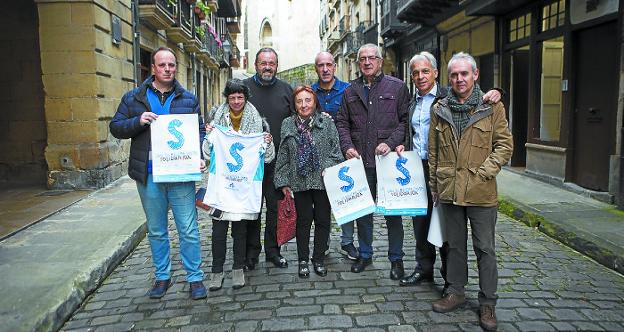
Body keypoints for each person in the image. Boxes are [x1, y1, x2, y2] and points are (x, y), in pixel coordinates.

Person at [395, 52, 501, 291]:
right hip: (417, 167)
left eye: (425, 71)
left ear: (435, 73)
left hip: (450, 169)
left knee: (447, 229)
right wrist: (402, 143)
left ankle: (449, 277)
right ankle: (424, 269)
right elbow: (409, 130)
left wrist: (497, 91)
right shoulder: (412, 102)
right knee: (421, 224)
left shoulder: (447, 96)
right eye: (415, 73)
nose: (420, 76)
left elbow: (478, 99)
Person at [109, 46, 207, 300]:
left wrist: (199, 156)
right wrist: (137, 121)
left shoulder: (188, 98)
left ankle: (195, 278)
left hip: (181, 175)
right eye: (162, 65)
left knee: (188, 228)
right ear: (153, 68)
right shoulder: (134, 98)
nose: (167, 69)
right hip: (149, 175)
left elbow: (199, 131)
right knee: (157, 229)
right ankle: (162, 276)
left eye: (171, 65)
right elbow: (116, 127)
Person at [428, 52, 513, 331]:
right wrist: (435, 187)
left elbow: (504, 146)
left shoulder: (492, 107)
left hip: (481, 191)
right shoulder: (440, 108)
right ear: (448, 78)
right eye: (454, 75)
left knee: (485, 248)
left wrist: (484, 173)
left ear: (475, 75)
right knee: (454, 246)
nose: (459, 79)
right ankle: (456, 292)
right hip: (449, 188)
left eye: (464, 73)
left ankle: (488, 303)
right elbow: (434, 151)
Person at [336, 43, 409, 279]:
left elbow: (404, 121)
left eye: (372, 58)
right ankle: (365, 255)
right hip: (360, 162)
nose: (367, 62)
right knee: (363, 213)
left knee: (392, 214)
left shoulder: (397, 87)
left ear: (380, 61)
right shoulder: (350, 91)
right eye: (363, 59)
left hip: (387, 162)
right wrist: (347, 146)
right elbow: (342, 123)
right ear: (359, 63)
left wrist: (390, 141)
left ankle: (396, 260)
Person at [202, 79, 275, 291]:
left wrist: (267, 142)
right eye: (232, 97)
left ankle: (237, 268)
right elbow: (207, 154)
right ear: (227, 98)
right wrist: (209, 137)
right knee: (218, 230)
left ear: (245, 98)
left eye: (240, 97)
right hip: (221, 185)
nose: (236, 101)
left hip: (243, 188)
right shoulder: (216, 119)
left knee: (240, 230)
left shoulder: (257, 121)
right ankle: (216, 271)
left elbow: (268, 158)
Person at [274, 86, 344, 278]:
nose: (304, 105)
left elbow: (336, 152)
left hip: (322, 181)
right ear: (295, 105)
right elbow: (283, 155)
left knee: (323, 221)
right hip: (300, 181)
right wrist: (283, 181)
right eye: (299, 101)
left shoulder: (327, 123)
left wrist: (326, 167)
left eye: (308, 100)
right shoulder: (287, 124)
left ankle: (318, 258)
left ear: (314, 103)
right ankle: (303, 259)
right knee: (303, 222)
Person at [243, 48, 294, 270]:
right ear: (255, 64)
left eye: (271, 63)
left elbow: (295, 123)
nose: (267, 67)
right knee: (252, 209)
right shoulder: (243, 89)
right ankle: (251, 253)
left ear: (276, 65)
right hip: (249, 164)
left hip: (277, 163)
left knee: (274, 209)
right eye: (263, 63)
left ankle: (273, 251)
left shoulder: (286, 90)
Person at [311, 51, 358, 261]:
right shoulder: (310, 93)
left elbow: (355, 120)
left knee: (347, 198)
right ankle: (325, 241)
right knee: (322, 202)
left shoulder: (348, 90)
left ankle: (347, 242)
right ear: (316, 69)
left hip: (344, 152)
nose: (325, 69)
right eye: (321, 65)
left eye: (329, 64)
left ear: (335, 66)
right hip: (318, 155)